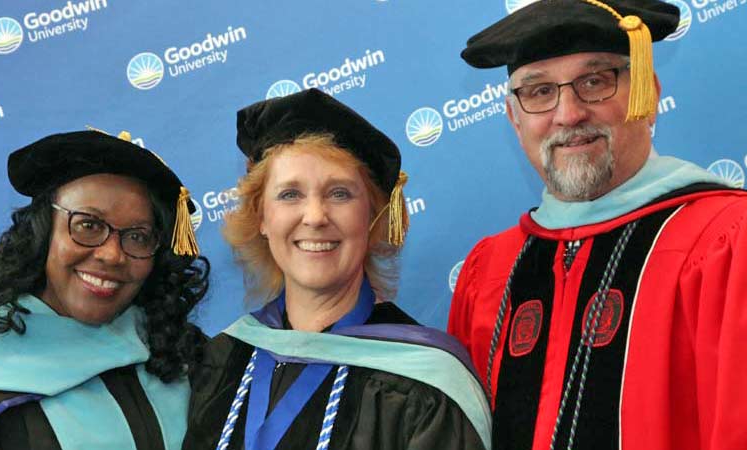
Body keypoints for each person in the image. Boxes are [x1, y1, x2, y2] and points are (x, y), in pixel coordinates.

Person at [448, 1, 747, 449]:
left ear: (648, 93)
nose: (568, 114)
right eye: (538, 91)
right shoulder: (490, 270)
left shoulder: (725, 240)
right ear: (514, 117)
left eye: (594, 82)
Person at [183, 88, 491, 450]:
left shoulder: (422, 387)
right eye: (289, 194)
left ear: (372, 217)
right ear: (262, 217)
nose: (315, 217)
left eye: (340, 193)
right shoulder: (222, 363)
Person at [0, 129, 210, 449]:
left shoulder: (174, 352)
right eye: (88, 225)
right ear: (43, 231)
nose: (112, 254)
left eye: (138, 236)